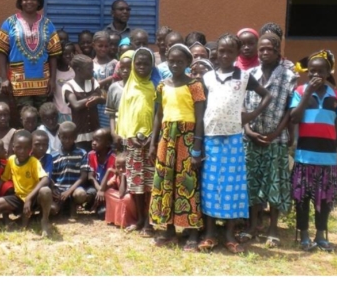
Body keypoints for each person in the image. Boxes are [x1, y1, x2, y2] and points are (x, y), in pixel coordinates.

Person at [198, 33, 272, 253]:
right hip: (211, 138)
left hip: (233, 139)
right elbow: (201, 108)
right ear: (216, 52)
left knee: (232, 187)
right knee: (210, 185)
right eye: (221, 51)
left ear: (237, 54)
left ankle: (229, 235)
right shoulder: (208, 77)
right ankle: (210, 234)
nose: (225, 55)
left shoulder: (244, 77)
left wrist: (251, 115)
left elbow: (267, 95)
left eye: (230, 51)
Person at [148, 44, 206, 251]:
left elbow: (200, 118)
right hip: (166, 139)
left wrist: (196, 148)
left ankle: (192, 231)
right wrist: (153, 142)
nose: (175, 65)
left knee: (187, 182)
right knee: (166, 182)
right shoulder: (162, 86)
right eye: (171, 61)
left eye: (180, 61)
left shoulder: (195, 85)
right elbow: (159, 115)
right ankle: (169, 230)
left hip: (187, 138)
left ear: (188, 62)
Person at [290, 50, 337, 252]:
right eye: (312, 71)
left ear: (328, 72)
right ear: (307, 72)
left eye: (321, 71)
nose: (316, 75)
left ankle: (321, 234)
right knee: (302, 198)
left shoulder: (336, 96)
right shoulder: (300, 92)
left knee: (325, 198)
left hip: (328, 157)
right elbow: (294, 117)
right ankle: (304, 234)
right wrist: (307, 94)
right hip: (305, 156)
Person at [244, 33, 297, 248]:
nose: (265, 52)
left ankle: (273, 228)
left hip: (276, 139)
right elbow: (242, 105)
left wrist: (276, 134)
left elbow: (289, 110)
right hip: (251, 138)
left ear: (277, 52)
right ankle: (252, 226)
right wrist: (248, 130)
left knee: (275, 183)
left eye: (270, 49)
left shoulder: (289, 76)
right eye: (262, 49)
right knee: (252, 182)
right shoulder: (250, 74)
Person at [0, 0, 62, 115]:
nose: (29, 2)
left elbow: (54, 54)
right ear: (20, 2)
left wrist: (52, 79)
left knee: (44, 116)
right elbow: (2, 51)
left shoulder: (48, 24)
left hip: (43, 82)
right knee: (25, 118)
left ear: (39, 2)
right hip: (19, 82)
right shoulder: (9, 23)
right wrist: (4, 79)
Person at [116, 47, 158, 235]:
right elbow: (124, 114)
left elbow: (158, 114)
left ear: (152, 66)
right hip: (133, 142)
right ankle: (140, 219)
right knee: (137, 184)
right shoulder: (129, 87)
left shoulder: (155, 87)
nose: (142, 67)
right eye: (138, 63)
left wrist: (153, 138)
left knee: (150, 184)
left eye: (146, 64)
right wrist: (130, 135)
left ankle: (149, 222)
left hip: (151, 143)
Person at [0, 130, 53, 237]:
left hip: (34, 198)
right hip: (19, 198)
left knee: (45, 191)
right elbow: (4, 178)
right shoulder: (11, 160)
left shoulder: (33, 162)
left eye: (26, 148)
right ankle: (15, 217)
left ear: (30, 149)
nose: (22, 151)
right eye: (19, 147)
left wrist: (29, 198)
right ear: (13, 147)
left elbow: (45, 179)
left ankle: (44, 220)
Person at [51, 122, 92, 220]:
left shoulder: (82, 153)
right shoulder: (54, 155)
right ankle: (64, 206)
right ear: (59, 137)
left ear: (75, 137)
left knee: (81, 195)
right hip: (59, 189)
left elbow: (83, 176)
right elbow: (51, 177)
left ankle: (73, 203)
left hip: (75, 188)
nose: (67, 141)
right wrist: (54, 189)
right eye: (64, 137)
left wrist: (69, 191)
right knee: (53, 210)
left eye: (70, 138)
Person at [63, 54, 104, 151]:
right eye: (89, 69)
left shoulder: (93, 82)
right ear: (78, 70)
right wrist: (94, 97)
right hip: (79, 133)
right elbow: (76, 105)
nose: (92, 71)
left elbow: (103, 99)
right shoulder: (68, 86)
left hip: (95, 130)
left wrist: (98, 98)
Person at [106, 51, 133, 148]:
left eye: (129, 67)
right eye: (122, 68)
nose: (125, 70)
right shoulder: (113, 88)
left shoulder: (139, 88)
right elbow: (111, 113)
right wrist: (113, 133)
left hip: (134, 133)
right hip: (119, 132)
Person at [101, 154, 136, 228]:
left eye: (124, 167)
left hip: (134, 208)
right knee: (108, 192)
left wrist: (123, 176)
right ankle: (116, 219)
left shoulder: (132, 176)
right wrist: (108, 171)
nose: (121, 169)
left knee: (126, 197)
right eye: (118, 167)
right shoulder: (116, 176)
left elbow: (121, 194)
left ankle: (130, 221)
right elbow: (102, 189)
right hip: (122, 199)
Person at [92, 31, 118, 130]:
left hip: (111, 105)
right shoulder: (89, 64)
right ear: (93, 45)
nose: (103, 49)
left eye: (106, 46)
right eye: (100, 46)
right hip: (95, 106)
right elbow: (90, 85)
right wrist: (110, 78)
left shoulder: (115, 64)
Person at [88, 128, 115, 219]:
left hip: (108, 188)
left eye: (97, 140)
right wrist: (100, 189)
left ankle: (104, 206)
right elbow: (90, 177)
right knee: (88, 193)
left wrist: (102, 190)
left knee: (102, 214)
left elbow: (112, 181)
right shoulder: (91, 155)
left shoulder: (113, 158)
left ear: (107, 143)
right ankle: (94, 204)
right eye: (93, 140)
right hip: (97, 187)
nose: (93, 143)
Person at [52, 42, 76, 123]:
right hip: (58, 112)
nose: (68, 56)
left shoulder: (75, 72)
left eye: (71, 53)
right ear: (59, 55)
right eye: (65, 54)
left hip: (73, 112)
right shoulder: (54, 73)